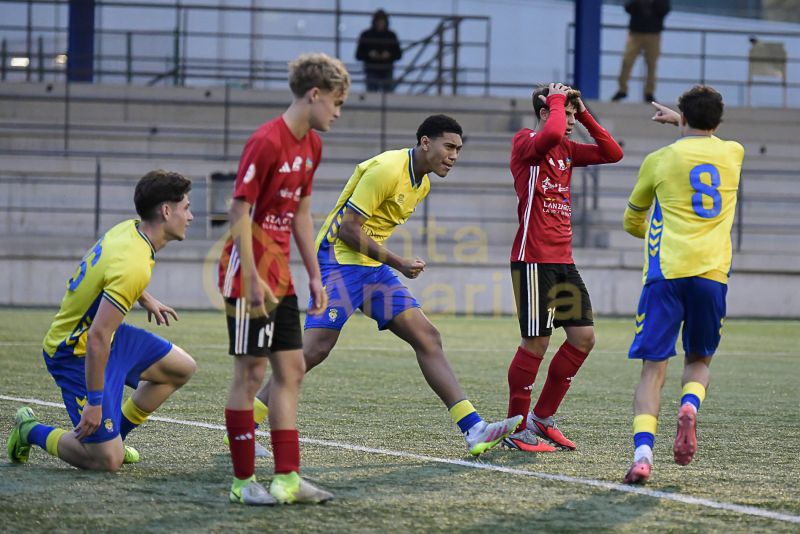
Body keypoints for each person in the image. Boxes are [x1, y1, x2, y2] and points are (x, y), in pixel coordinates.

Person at [255, 114, 522, 457]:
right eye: (449, 146)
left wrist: (389, 264)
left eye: (459, 149)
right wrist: (399, 262)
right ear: (426, 142)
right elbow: (347, 231)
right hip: (338, 262)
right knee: (315, 349)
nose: (454, 155)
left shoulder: (421, 183)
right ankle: (245, 428)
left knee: (427, 337)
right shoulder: (386, 169)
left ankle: (473, 428)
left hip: (371, 269)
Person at [218, 52, 350, 506]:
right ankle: (241, 484)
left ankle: (287, 479)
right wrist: (251, 277)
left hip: (281, 277)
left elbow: (301, 212)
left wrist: (314, 274)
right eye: (335, 102)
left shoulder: (312, 145)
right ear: (314, 94)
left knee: (290, 369)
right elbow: (239, 210)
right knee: (250, 372)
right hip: (247, 274)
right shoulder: (267, 141)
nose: (337, 112)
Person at [6, 170, 197, 472]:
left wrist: (146, 298)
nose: (191, 216)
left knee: (181, 368)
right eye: (186, 207)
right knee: (107, 461)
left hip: (106, 338)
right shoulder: (134, 263)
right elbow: (96, 337)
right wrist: (94, 403)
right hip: (74, 352)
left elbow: (111, 273)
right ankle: (29, 430)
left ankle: (114, 437)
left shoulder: (130, 230)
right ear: (166, 210)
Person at [622, 86, 744, 484]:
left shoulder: (659, 160)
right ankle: (690, 404)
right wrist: (688, 122)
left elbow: (632, 220)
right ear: (720, 122)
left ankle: (643, 456)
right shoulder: (734, 154)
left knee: (652, 370)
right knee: (698, 362)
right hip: (711, 276)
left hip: (666, 275)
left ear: (683, 117)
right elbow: (710, 141)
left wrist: (648, 229)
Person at [503, 83, 623, 453]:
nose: (569, 122)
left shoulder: (568, 149)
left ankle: (542, 418)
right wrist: (556, 102)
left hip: (563, 260)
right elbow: (552, 131)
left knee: (583, 338)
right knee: (537, 342)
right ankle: (516, 427)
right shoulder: (526, 141)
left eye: (573, 116)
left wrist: (584, 112)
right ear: (544, 111)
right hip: (534, 258)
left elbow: (612, 152)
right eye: (565, 114)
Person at [612, 0, 671, 103]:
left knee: (651, 64)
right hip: (635, 33)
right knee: (627, 60)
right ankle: (622, 89)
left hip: (654, 34)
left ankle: (649, 92)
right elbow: (627, 8)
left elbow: (665, 10)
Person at [356, 9, 402, 92]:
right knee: (372, 96)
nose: (380, 23)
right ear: (374, 22)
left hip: (386, 70)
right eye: (378, 21)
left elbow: (398, 55)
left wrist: (389, 55)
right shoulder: (366, 35)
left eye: (382, 21)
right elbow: (358, 55)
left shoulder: (391, 36)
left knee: (388, 96)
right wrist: (369, 54)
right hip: (372, 70)